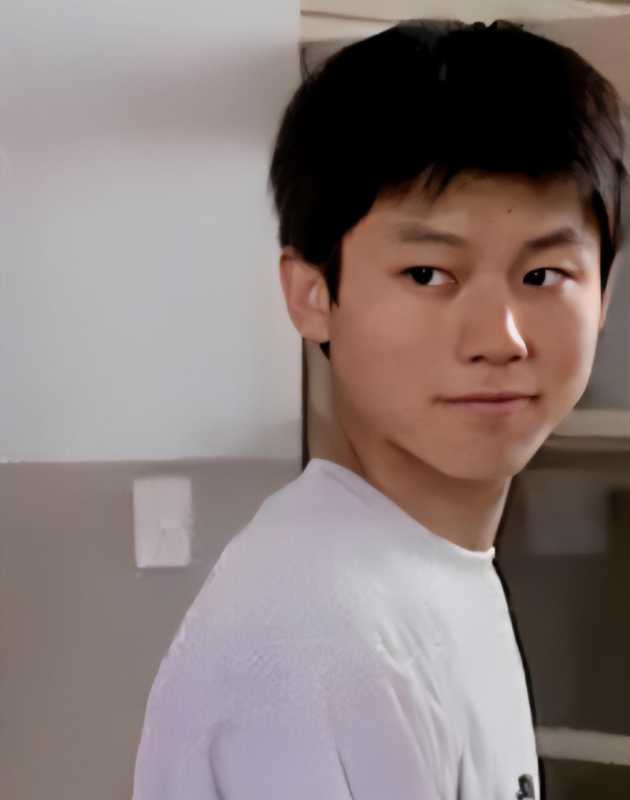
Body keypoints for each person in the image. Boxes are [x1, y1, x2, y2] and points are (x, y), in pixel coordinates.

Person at [132, 19, 627, 800]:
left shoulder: (430, 570)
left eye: (542, 275)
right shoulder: (313, 641)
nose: (499, 339)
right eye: (428, 274)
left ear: (604, 293)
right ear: (311, 295)